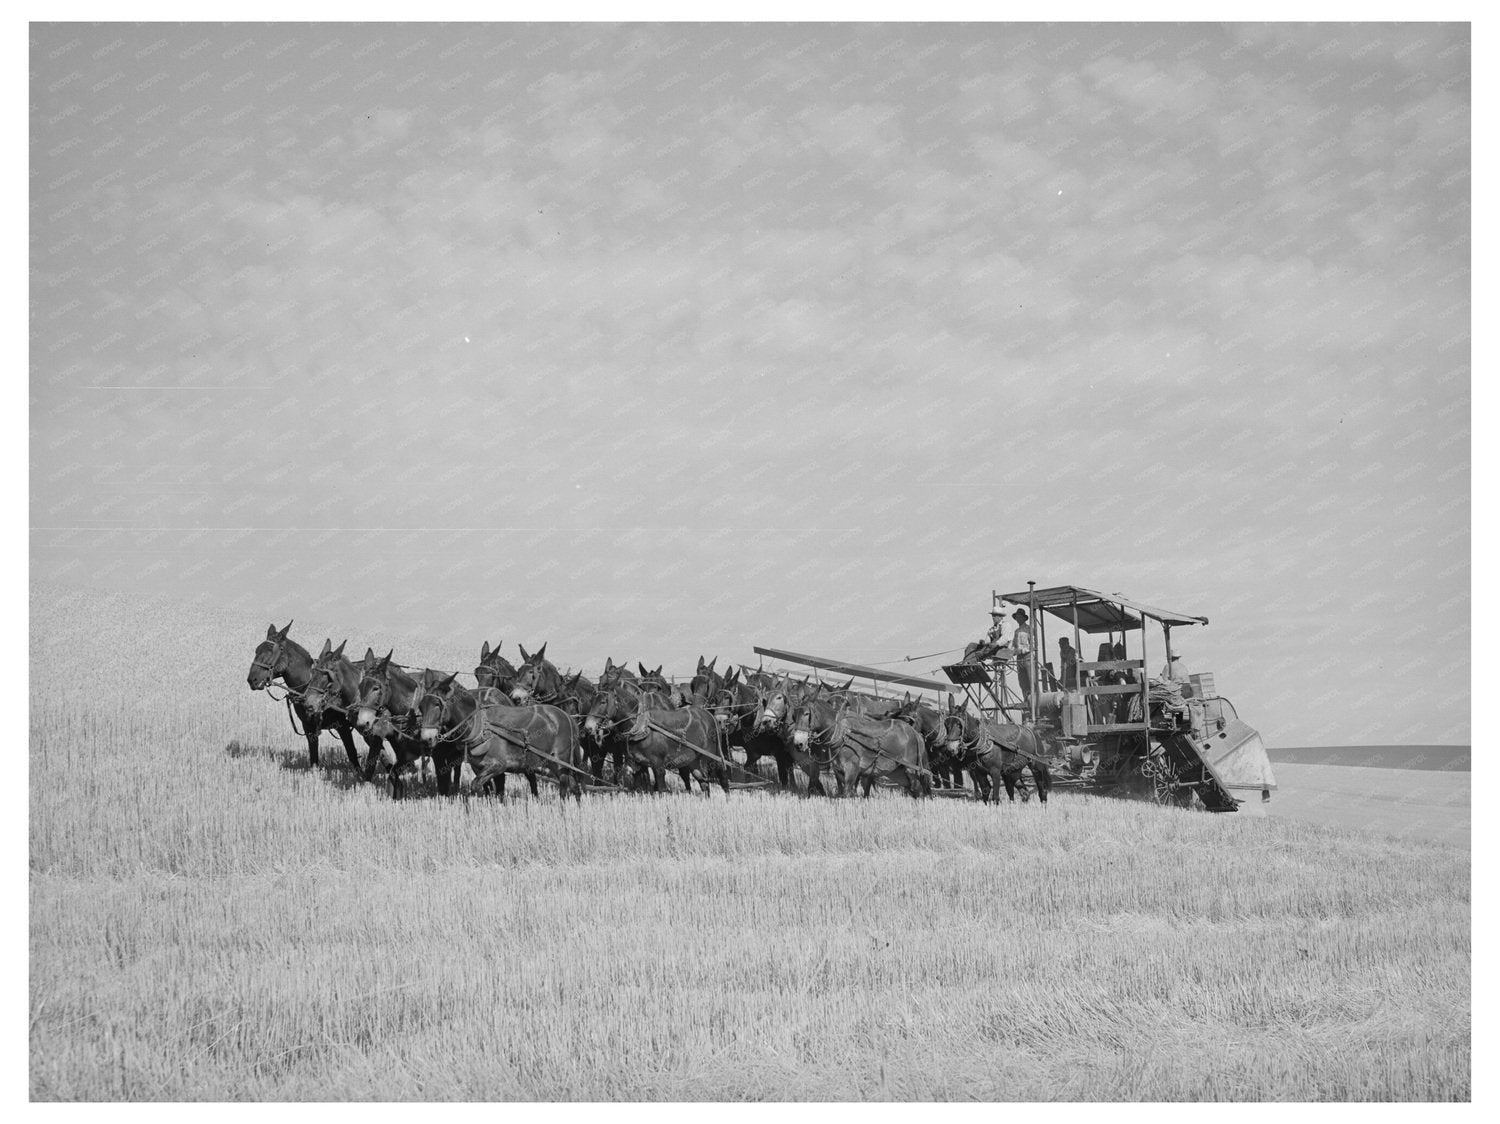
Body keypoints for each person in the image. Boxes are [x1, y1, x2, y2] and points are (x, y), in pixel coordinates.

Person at [1011, 609, 1034, 700]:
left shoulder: (1029, 629)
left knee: (1031, 680)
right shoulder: (1016, 631)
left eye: (1020, 617)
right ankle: (1026, 699)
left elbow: (1033, 644)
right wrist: (1011, 651)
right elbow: (1014, 645)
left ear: (1024, 618)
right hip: (1019, 658)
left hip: (1028, 656)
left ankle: (1035, 700)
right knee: (1022, 681)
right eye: (1017, 617)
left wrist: (1024, 650)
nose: (1018, 619)